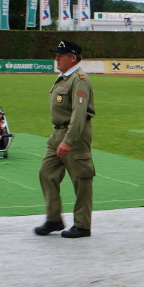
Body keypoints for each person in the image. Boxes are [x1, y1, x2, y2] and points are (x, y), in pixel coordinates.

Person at [35, 40, 95, 239]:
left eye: (60, 55)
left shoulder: (79, 79)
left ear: (73, 57)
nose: (56, 58)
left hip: (74, 134)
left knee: (81, 179)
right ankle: (54, 219)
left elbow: (79, 114)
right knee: (46, 173)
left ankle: (82, 225)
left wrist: (68, 140)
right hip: (57, 133)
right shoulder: (64, 78)